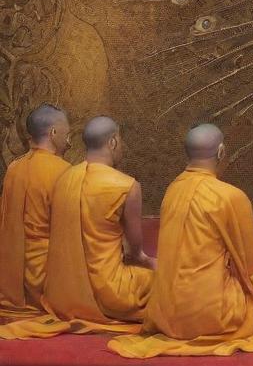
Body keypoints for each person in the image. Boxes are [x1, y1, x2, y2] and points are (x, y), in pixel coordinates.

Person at [109, 123, 253, 358]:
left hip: (164, 315)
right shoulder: (231, 196)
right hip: (213, 315)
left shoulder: (172, 191)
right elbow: (252, 274)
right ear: (221, 151)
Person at [0, 115, 155, 339]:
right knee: (169, 283)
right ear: (113, 142)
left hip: (60, 292)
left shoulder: (62, 179)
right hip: (108, 290)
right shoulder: (126, 185)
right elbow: (135, 253)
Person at [0, 104, 71, 321]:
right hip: (49, 278)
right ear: (53, 133)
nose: (69, 140)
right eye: (68, 134)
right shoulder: (63, 172)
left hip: (12, 277)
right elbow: (70, 234)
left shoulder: (13, 168)